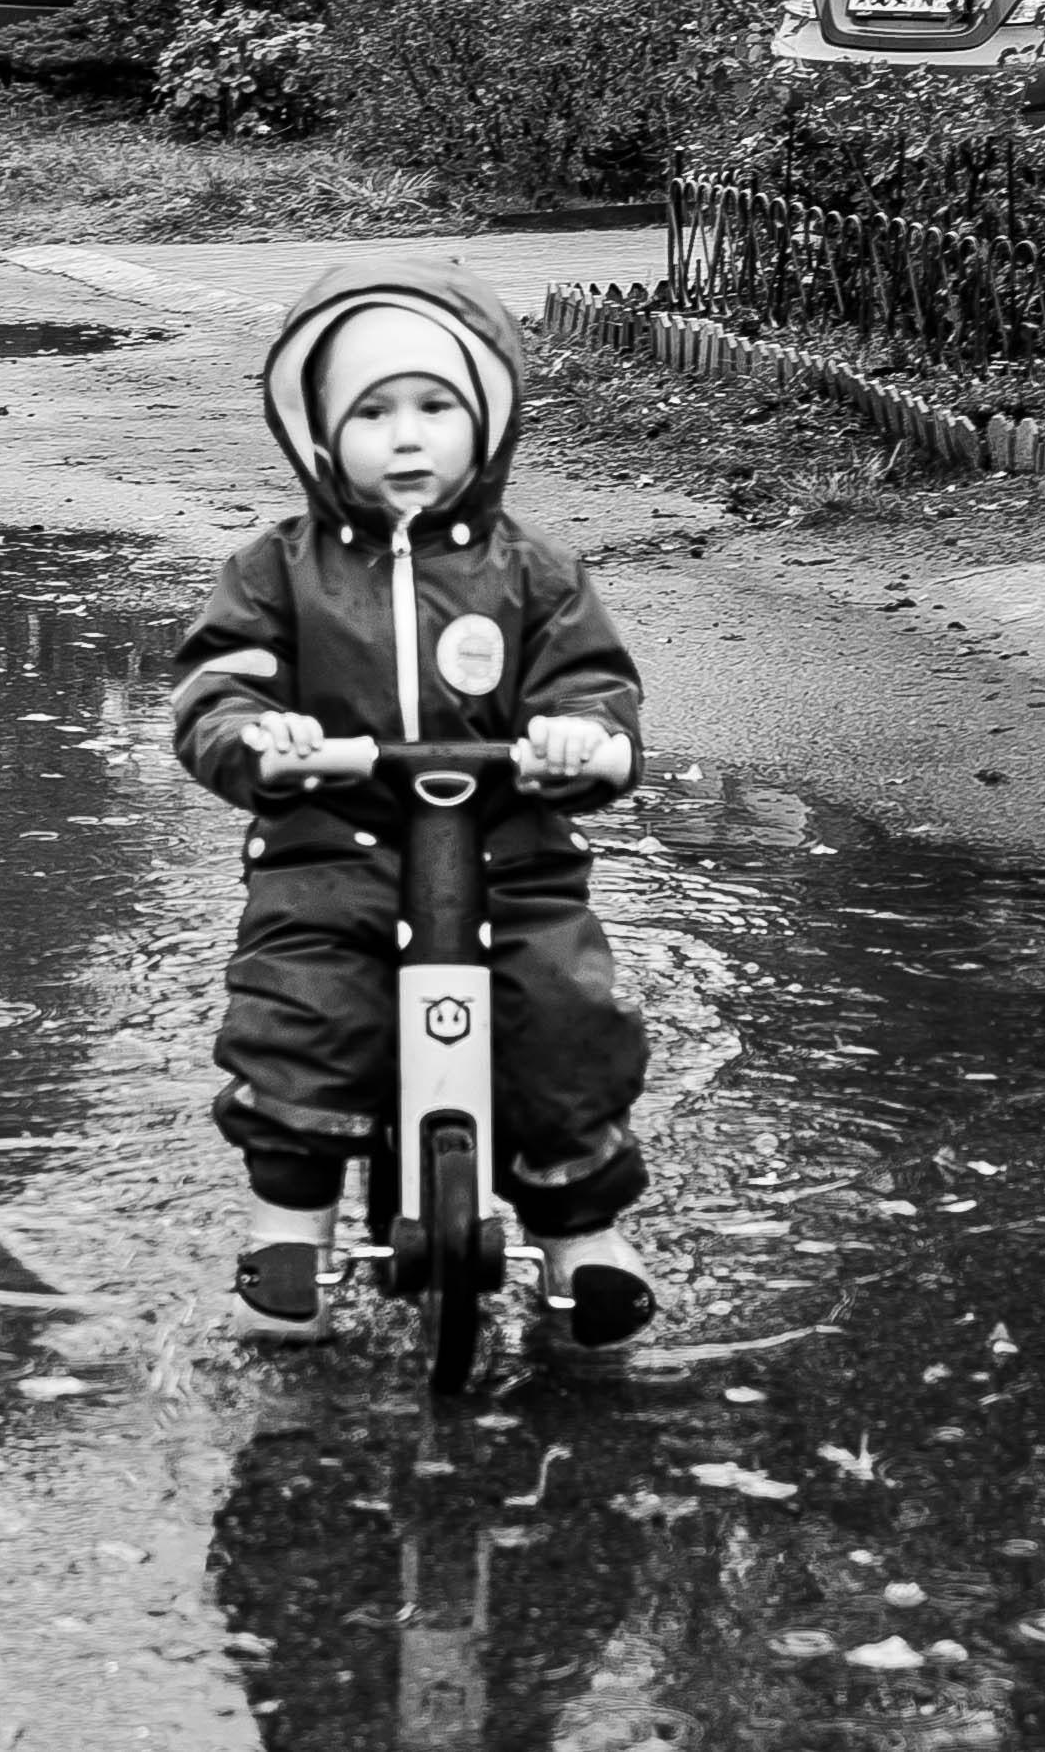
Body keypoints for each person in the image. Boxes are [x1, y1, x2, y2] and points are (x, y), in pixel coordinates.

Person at [173, 250, 657, 1348]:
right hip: (329, 843)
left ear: (485, 418)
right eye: (372, 410)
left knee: (564, 1014)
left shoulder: (534, 570)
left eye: (434, 405)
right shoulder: (275, 570)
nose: (404, 435)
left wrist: (584, 740)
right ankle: (286, 1221)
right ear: (316, 431)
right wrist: (264, 737)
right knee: (299, 1001)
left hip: (510, 847)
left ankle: (582, 1233)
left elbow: (592, 683)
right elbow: (219, 680)